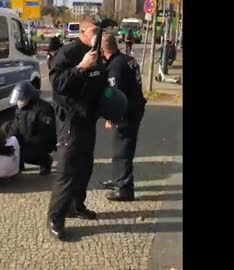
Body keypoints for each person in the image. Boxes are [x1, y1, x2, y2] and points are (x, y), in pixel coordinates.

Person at [46, 16, 107, 240]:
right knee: (68, 170)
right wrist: (81, 67)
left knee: (85, 167)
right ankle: (55, 217)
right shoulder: (69, 53)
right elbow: (58, 84)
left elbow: (100, 83)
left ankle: (76, 206)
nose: (96, 35)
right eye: (92, 31)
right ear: (82, 32)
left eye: (99, 31)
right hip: (70, 121)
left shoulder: (98, 53)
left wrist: (109, 109)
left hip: (88, 119)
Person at [100, 34, 146, 201]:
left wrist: (111, 118)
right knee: (123, 147)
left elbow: (116, 95)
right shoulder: (127, 59)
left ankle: (124, 189)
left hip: (127, 113)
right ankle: (119, 180)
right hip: (136, 107)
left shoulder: (115, 66)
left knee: (122, 150)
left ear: (102, 49)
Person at [6, 82, 56, 175]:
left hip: (39, 142)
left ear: (28, 96)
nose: (19, 102)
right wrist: (9, 141)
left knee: (28, 155)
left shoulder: (43, 108)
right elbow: (15, 126)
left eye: (21, 99)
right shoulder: (20, 110)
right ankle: (19, 164)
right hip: (26, 139)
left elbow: (47, 133)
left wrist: (29, 144)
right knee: (12, 144)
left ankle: (45, 161)